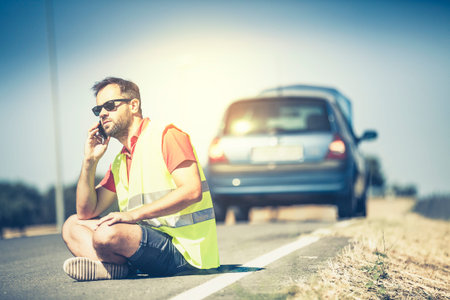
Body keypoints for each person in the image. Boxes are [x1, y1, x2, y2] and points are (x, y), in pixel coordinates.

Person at [62, 77, 220, 281]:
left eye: (109, 106)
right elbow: (85, 212)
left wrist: (131, 215)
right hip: (144, 245)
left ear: (133, 105)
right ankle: (115, 269)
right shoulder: (120, 160)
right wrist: (89, 161)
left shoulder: (167, 135)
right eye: (98, 110)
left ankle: (113, 268)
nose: (102, 114)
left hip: (185, 252)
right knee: (72, 226)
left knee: (105, 234)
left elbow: (192, 191)